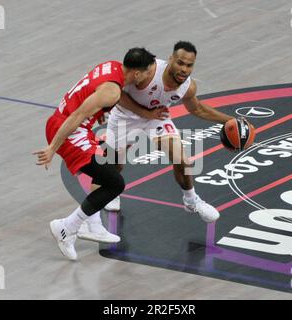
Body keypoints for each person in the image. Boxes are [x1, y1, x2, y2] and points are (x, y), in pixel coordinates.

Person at [79, 41, 235, 242]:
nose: (184, 69)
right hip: (125, 117)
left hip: (157, 118)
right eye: (180, 63)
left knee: (182, 159)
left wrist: (230, 120)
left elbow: (197, 109)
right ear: (170, 59)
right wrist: (143, 112)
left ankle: (191, 200)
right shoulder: (148, 72)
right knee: (112, 168)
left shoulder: (188, 86)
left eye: (189, 65)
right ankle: (90, 220)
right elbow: (118, 92)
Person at [33, 48, 156, 260]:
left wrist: (99, 112)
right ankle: (66, 228)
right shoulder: (112, 91)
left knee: (107, 168)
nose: (149, 78)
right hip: (69, 130)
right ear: (136, 73)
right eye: (148, 73)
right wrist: (53, 147)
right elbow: (78, 114)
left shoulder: (112, 66)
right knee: (115, 183)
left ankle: (94, 223)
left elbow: (89, 95)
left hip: (70, 125)